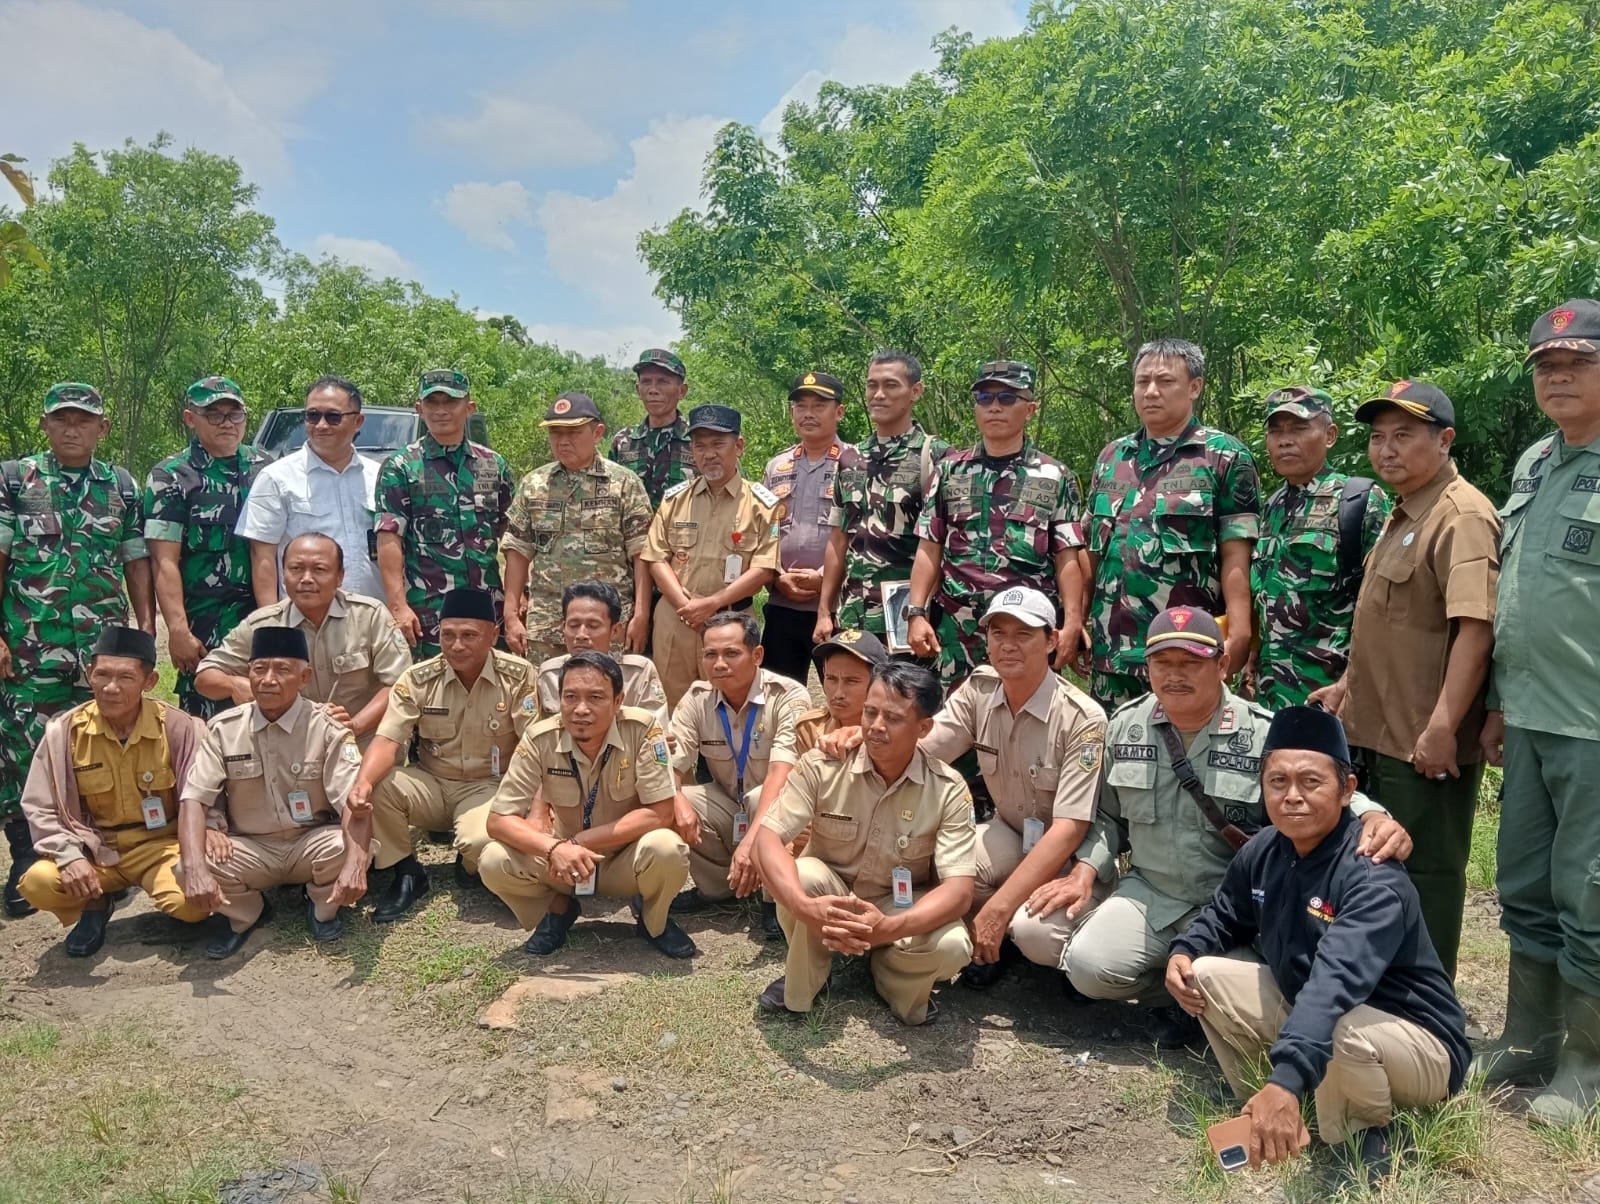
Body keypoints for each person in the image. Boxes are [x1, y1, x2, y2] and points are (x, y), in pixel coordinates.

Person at [1062, 607, 1410, 1045]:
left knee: (1286, 976)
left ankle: (1213, 1000)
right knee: (1088, 967)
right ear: (1147, 668)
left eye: (1191, 663)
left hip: (1238, 908)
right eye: (1162, 664)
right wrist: (1086, 869)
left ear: (1223, 664)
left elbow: (1318, 785)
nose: (1175, 675)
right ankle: (1179, 1001)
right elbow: (1108, 818)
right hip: (1152, 895)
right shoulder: (1125, 726)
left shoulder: (1262, 733)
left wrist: (1374, 815)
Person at [1167, 706, 1469, 1176]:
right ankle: (1269, 1101)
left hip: (1416, 1043)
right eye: (1278, 782)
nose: (1292, 797)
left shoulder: (1372, 873)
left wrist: (1288, 1076)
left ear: (1348, 790)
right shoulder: (1265, 849)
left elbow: (1335, 983)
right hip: (1323, 1011)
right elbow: (1225, 915)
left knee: (1337, 1024)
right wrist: (1183, 951)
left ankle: (1369, 1132)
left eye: (1311, 782)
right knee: (1204, 975)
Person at [1310, 381, 1499, 979]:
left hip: (1422, 744)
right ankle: (1377, 995)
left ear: (1444, 441)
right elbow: (1391, 625)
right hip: (1378, 732)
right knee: (1373, 871)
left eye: (1404, 436)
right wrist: (1346, 685)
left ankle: (1429, 1014)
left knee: (1426, 879)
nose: (1386, 450)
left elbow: (1475, 629)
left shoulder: (1461, 516)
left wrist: (1444, 727)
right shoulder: (1403, 512)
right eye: (1377, 437)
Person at [1473, 299, 1600, 1123]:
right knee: (1523, 883)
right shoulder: (1531, 464)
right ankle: (1529, 1037)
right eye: (1546, 367)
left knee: (1588, 890)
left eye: (1576, 364)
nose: (1557, 377)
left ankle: (1587, 1064)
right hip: (1526, 716)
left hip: (1593, 724)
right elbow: (1513, 598)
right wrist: (1493, 704)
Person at [1, 383, 154, 918]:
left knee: (102, 749)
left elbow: (136, 559)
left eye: (83, 420)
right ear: (44, 424)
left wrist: (145, 632)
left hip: (103, 652)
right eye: (61, 419)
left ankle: (104, 856)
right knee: (24, 751)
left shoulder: (122, 485)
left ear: (102, 428)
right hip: (30, 645)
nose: (72, 428)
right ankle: (27, 859)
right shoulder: (16, 478)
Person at [754, 661, 975, 1026]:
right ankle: (810, 981)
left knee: (953, 945)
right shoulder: (823, 764)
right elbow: (768, 837)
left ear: (924, 728)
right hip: (831, 896)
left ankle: (890, 977)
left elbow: (959, 891)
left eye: (893, 717)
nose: (875, 726)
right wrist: (801, 905)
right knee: (804, 874)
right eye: (870, 712)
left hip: (896, 905)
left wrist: (887, 929)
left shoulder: (947, 790)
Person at [921, 588, 1107, 988]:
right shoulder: (980, 690)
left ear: (1052, 640)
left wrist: (998, 908)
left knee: (1037, 934)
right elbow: (924, 750)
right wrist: (864, 737)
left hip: (1072, 854)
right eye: (998, 633)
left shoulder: (1082, 718)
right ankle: (1000, 943)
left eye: (1023, 634)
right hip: (1013, 830)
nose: (1008, 646)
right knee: (950, 866)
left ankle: (1048, 945)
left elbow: (1070, 828)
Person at [479, 650, 696, 959]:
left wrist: (578, 842)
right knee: (493, 859)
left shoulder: (643, 729)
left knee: (667, 848)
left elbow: (660, 813)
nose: (581, 709)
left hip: (624, 861)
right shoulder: (540, 737)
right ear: (559, 699)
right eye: (570, 697)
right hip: (563, 865)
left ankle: (653, 922)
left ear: (618, 701)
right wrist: (554, 849)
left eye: (595, 698)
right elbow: (498, 820)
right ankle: (558, 910)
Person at [1082, 339, 1261, 710]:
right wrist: (1078, 622)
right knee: (1115, 761)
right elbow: (1093, 554)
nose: (1150, 392)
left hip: (1185, 652)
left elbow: (1236, 556)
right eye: (1141, 381)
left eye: (1165, 381)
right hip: (1110, 653)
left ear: (1194, 387)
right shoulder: (1112, 457)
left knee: (1188, 758)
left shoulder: (1224, 456)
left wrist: (1241, 633)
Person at [177, 626, 371, 960]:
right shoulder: (224, 729)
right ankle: (247, 913)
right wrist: (196, 863)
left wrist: (356, 864)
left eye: (282, 670)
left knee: (351, 847)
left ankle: (322, 905)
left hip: (310, 842)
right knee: (189, 865)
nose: (268, 679)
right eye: (259, 669)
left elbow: (354, 803)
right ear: (247, 673)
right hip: (251, 846)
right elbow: (194, 798)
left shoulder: (327, 728)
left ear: (305, 676)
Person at [16, 627, 208, 956]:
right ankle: (94, 905)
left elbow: (203, 797)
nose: (111, 687)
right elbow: (40, 807)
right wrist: (69, 855)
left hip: (162, 846)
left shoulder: (179, 729)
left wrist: (200, 851)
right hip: (96, 849)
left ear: (149, 682)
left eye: (125, 678)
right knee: (37, 883)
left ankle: (171, 906)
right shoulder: (64, 733)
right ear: (89, 674)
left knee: (193, 904)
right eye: (101, 674)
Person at [351, 588, 537, 923]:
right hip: (433, 785)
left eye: (469, 635)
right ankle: (406, 872)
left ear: (493, 635)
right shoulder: (419, 678)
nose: (457, 645)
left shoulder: (519, 675)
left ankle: (469, 863)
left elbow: (535, 746)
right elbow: (388, 738)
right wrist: (362, 783)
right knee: (378, 784)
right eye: (448, 635)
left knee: (479, 841)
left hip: (489, 789)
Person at [906, 360, 1083, 688]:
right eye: (985, 399)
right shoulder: (949, 472)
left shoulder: (1054, 476)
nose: (994, 408)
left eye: (1006, 398)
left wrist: (1072, 622)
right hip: (958, 631)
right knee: (957, 729)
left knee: (1027, 725)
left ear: (1030, 409)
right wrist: (916, 613)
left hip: (1026, 631)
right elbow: (929, 548)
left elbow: (1067, 559)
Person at [666, 612, 810, 938]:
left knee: (764, 799)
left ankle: (773, 900)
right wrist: (675, 798)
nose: (719, 664)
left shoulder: (788, 695)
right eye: (710, 654)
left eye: (731, 653)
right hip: (730, 803)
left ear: (756, 655)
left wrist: (750, 843)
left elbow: (781, 774)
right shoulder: (697, 698)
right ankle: (720, 889)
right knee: (675, 800)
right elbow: (672, 766)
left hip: (775, 805)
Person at [194, 533, 409, 747]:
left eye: (319, 570)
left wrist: (355, 725)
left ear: (339, 576)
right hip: (290, 751)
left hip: (360, 746)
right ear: (283, 573)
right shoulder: (264, 624)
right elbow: (205, 677)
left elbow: (400, 685)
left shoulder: (369, 616)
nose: (306, 579)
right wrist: (233, 685)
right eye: (296, 569)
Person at [1248, 387, 1390, 710]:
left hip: (1333, 697)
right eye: (1275, 431)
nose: (1284, 440)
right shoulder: (1270, 509)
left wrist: (1347, 685)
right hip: (1271, 698)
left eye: (1299, 428)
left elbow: (1385, 610)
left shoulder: (1358, 502)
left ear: (1329, 435)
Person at [144, 375, 271, 718]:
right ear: (190, 418)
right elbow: (164, 562)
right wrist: (178, 631)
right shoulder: (171, 476)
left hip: (263, 618)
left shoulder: (267, 468)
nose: (227, 423)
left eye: (235, 414)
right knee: (206, 727)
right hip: (205, 625)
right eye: (214, 414)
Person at [639, 404, 780, 708]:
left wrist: (712, 604)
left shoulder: (761, 504)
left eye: (719, 444)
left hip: (731, 621)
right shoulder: (675, 500)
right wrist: (686, 605)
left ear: (738, 446)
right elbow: (655, 557)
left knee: (731, 705)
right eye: (700, 446)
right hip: (676, 619)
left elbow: (765, 568)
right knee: (674, 707)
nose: (709, 454)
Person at [502, 392, 653, 666]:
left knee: (605, 697)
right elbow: (517, 550)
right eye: (555, 433)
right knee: (546, 699)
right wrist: (511, 615)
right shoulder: (534, 484)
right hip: (548, 624)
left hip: (606, 624)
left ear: (597, 433)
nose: (562, 441)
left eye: (573, 432)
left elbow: (642, 553)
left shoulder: (624, 483)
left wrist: (641, 613)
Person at [375, 369, 512, 659]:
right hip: (430, 610)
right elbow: (389, 538)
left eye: (450, 402)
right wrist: (398, 606)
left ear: (469, 408)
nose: (441, 411)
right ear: (419, 408)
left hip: (488, 606)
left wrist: (516, 598)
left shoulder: (493, 464)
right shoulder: (401, 466)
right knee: (432, 695)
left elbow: (511, 538)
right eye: (432, 402)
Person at [816, 350, 947, 647]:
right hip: (853, 616)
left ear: (915, 391)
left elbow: (941, 547)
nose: (878, 395)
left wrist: (920, 612)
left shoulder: (936, 456)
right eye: (871, 385)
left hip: (907, 619)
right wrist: (825, 611)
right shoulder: (850, 459)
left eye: (890, 385)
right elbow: (838, 539)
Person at [237, 374, 385, 604]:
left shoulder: (380, 477)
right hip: (305, 622)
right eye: (312, 416)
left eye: (333, 417)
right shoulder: (276, 478)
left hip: (374, 620)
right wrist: (271, 624)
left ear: (358, 421)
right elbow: (262, 556)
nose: (321, 425)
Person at [759, 371, 860, 682]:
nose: (808, 414)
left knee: (844, 696)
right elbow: (765, 532)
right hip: (781, 604)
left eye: (819, 405)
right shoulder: (777, 466)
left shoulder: (856, 464)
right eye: (800, 406)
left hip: (837, 607)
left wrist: (824, 578)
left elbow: (863, 536)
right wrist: (777, 574)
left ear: (839, 412)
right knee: (777, 696)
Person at [535, 581, 668, 732]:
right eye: (573, 625)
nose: (581, 635)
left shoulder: (638, 673)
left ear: (615, 631)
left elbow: (658, 734)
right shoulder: (549, 674)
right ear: (563, 628)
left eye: (593, 626)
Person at [610, 348, 696, 508]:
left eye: (663, 381)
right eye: (646, 381)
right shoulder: (623, 442)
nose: (653, 390)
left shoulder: (699, 440)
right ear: (638, 389)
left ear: (681, 391)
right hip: (634, 532)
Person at [796, 629, 888, 755]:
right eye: (831, 679)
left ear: (878, 684)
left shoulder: (895, 730)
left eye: (851, 681)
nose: (838, 694)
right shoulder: (809, 729)